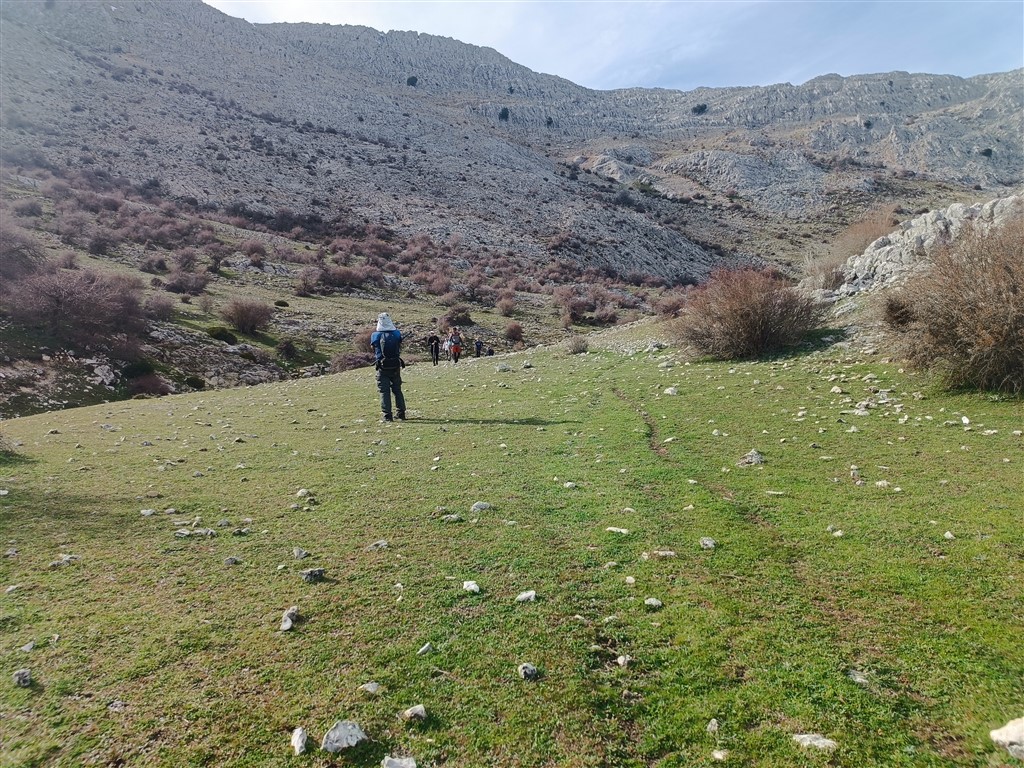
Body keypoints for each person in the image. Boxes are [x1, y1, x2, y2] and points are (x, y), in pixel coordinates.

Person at [370, 312, 406, 422]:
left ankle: (387, 415)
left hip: (382, 366)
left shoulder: (375, 335)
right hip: (395, 365)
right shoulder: (396, 333)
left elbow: (373, 347)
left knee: (384, 391)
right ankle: (401, 413)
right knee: (397, 390)